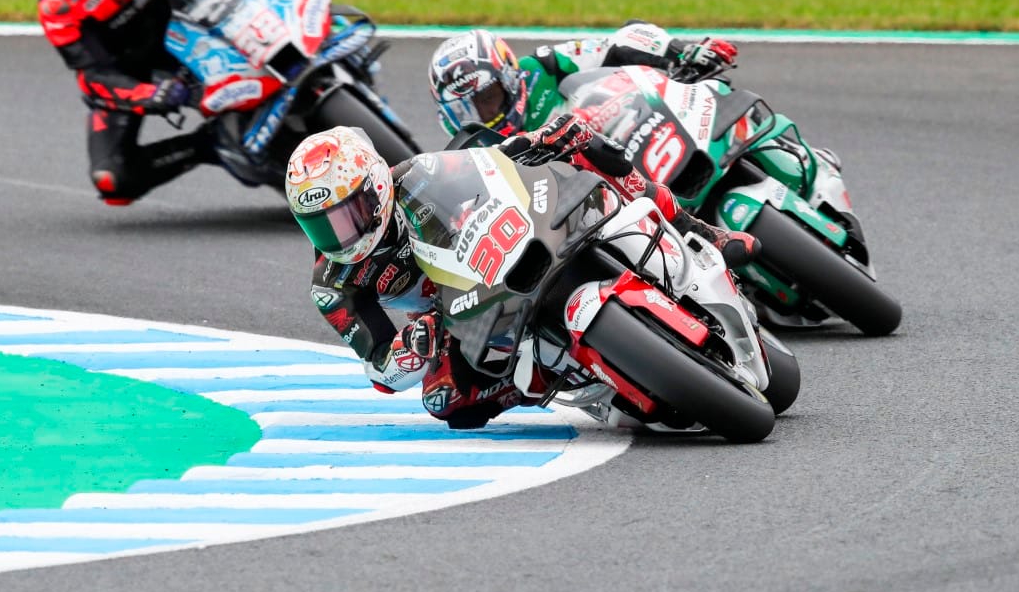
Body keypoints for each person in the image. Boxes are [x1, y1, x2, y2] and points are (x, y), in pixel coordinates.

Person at [284, 117, 757, 430]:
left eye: (349, 213)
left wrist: (535, 144)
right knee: (444, 403)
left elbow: (492, 168)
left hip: (503, 254)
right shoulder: (333, 284)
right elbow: (379, 368)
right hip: (456, 319)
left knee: (580, 142)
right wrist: (410, 350)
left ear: (376, 183)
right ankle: (543, 379)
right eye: (322, 224)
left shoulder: (418, 175)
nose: (341, 233)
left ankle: (695, 228)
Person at [36, 0, 327, 205]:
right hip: (129, 71)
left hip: (176, 21)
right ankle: (210, 143)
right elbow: (92, 76)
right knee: (113, 180)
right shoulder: (57, 3)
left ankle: (306, 37)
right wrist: (148, 95)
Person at [428, 22, 739, 137]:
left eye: (486, 98)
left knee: (717, 98)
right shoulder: (475, 149)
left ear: (509, 77)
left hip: (638, 134)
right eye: (465, 111)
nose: (482, 116)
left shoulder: (542, 66)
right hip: (596, 203)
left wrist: (680, 53)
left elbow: (620, 42)